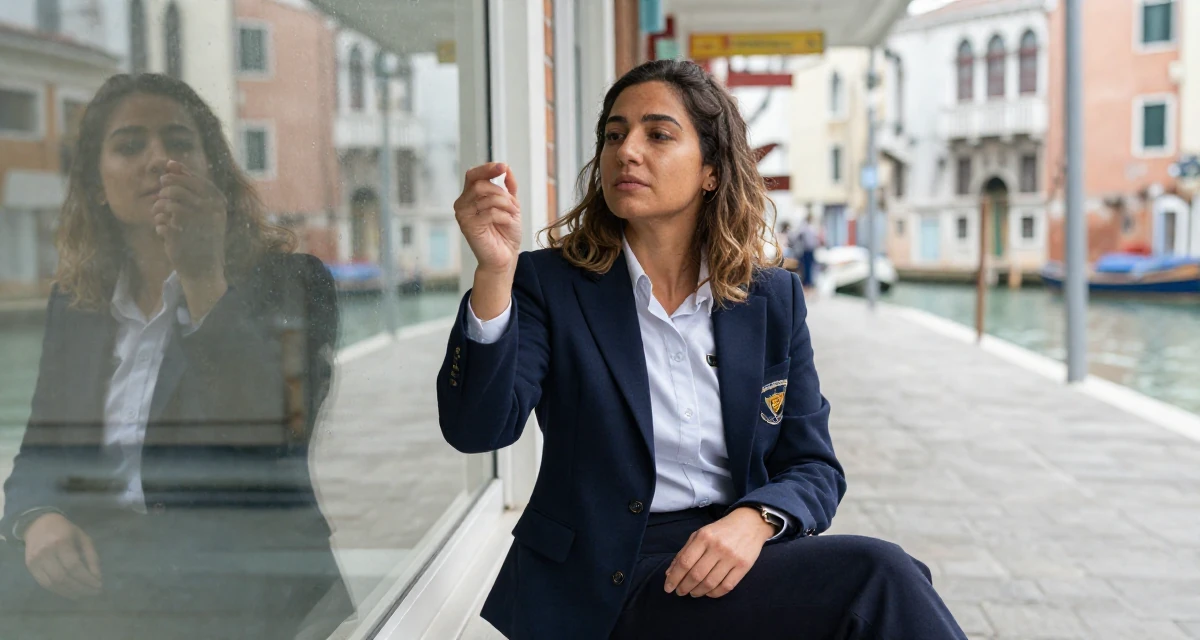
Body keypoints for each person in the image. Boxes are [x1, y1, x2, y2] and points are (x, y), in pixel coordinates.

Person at [438, 60, 965, 639]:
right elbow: (477, 430)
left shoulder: (771, 297)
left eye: (658, 135)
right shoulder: (550, 284)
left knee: (890, 586)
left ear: (710, 170)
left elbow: (813, 465)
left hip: (725, 558)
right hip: (601, 584)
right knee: (880, 578)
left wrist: (756, 519)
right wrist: (494, 273)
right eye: (614, 135)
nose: (626, 151)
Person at [0, 73, 350, 640]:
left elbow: (277, 434)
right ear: (96, 184)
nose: (159, 160)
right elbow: (41, 449)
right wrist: (37, 518)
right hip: (100, 574)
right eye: (130, 145)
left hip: (241, 586)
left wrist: (202, 274)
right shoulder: (77, 302)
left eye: (180, 143)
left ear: (213, 170)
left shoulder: (292, 283)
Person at [795, 213, 821, 288]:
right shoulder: (808, 228)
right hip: (807, 249)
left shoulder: (806, 227)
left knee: (808, 266)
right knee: (808, 266)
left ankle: (808, 281)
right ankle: (807, 282)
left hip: (808, 249)